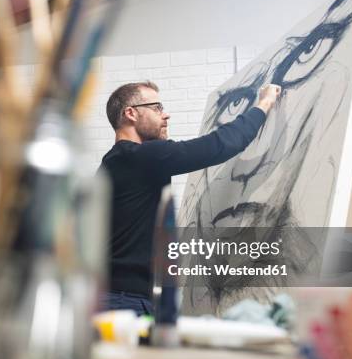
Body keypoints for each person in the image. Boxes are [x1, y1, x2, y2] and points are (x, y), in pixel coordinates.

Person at [98, 80, 281, 315]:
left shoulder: (116, 161)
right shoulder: (138, 157)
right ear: (131, 113)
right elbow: (220, 145)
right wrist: (264, 103)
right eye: (157, 107)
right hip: (125, 302)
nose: (166, 115)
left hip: (118, 298)